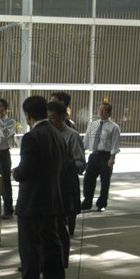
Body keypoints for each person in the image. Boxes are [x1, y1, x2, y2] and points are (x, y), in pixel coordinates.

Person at [2, 96, 66, 279]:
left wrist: (15, 172)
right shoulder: (56, 134)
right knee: (51, 240)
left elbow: (26, 170)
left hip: (33, 201)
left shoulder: (32, 137)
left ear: (27, 114)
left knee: (29, 245)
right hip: (52, 197)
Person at [47, 101, 86, 267]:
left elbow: (81, 164)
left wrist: (62, 164)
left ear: (64, 117)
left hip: (64, 188)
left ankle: (61, 263)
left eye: (54, 118)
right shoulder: (46, 133)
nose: (51, 121)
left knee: (61, 229)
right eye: (48, 118)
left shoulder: (71, 136)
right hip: (49, 188)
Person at [81, 102, 121, 212]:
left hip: (106, 156)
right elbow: (86, 140)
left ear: (109, 113)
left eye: (105, 111)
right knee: (88, 179)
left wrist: (112, 158)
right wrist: (81, 152)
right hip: (94, 155)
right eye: (100, 110)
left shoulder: (114, 127)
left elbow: (115, 143)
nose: (102, 112)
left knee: (105, 181)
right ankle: (87, 201)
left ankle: (101, 203)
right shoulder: (92, 124)